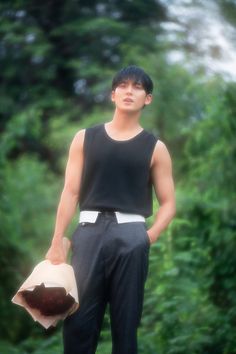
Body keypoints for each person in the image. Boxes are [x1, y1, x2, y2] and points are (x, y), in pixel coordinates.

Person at [46, 65, 176, 354]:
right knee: (78, 324)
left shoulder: (155, 148)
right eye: (124, 85)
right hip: (88, 234)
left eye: (138, 87)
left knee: (125, 327)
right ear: (113, 94)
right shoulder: (84, 138)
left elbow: (168, 204)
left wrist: (147, 238)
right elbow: (70, 191)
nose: (130, 91)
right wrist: (57, 241)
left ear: (148, 98)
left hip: (132, 236)